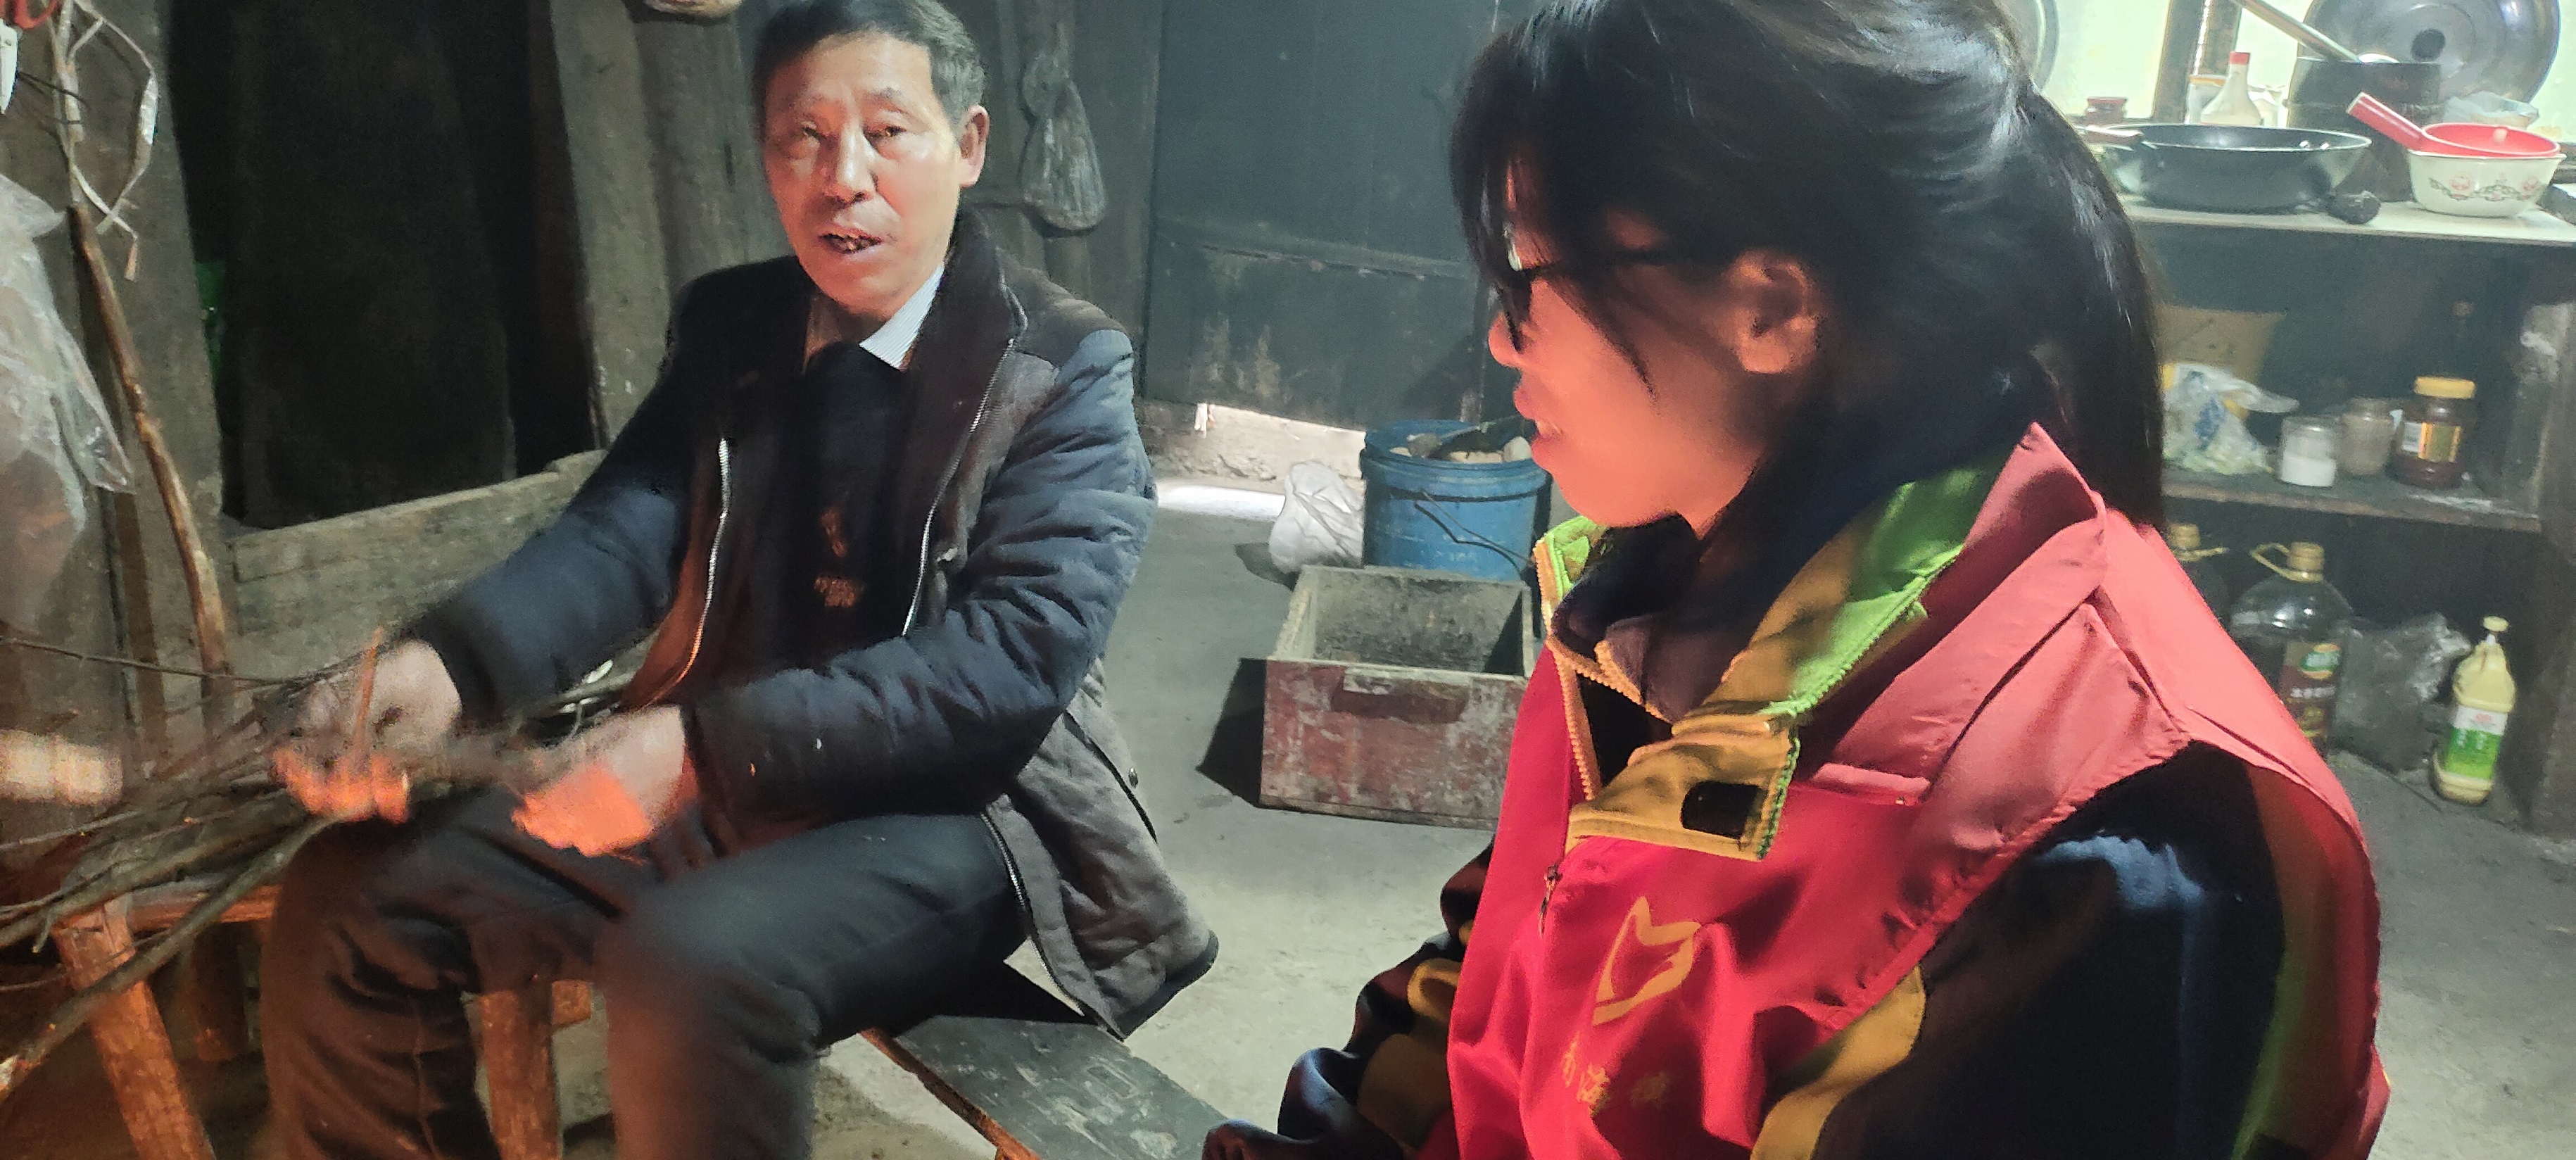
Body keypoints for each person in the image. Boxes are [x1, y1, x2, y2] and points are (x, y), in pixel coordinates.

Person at [1207, 2, 2383, 1158]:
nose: (1503, 340)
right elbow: (1513, 958)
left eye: (1527, 279)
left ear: (1769, 308)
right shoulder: (1655, 606)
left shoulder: (2085, 846)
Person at [258, 3, 1215, 1158]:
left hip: (955, 810)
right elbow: (626, 531)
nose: (842, 178)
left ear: (967, 145)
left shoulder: (1058, 365)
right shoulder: (736, 326)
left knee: (692, 970)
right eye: (802, 138)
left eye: (887, 133)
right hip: (725, 766)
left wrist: (699, 750)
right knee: (349, 907)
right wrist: (449, 667)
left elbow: (1013, 660)